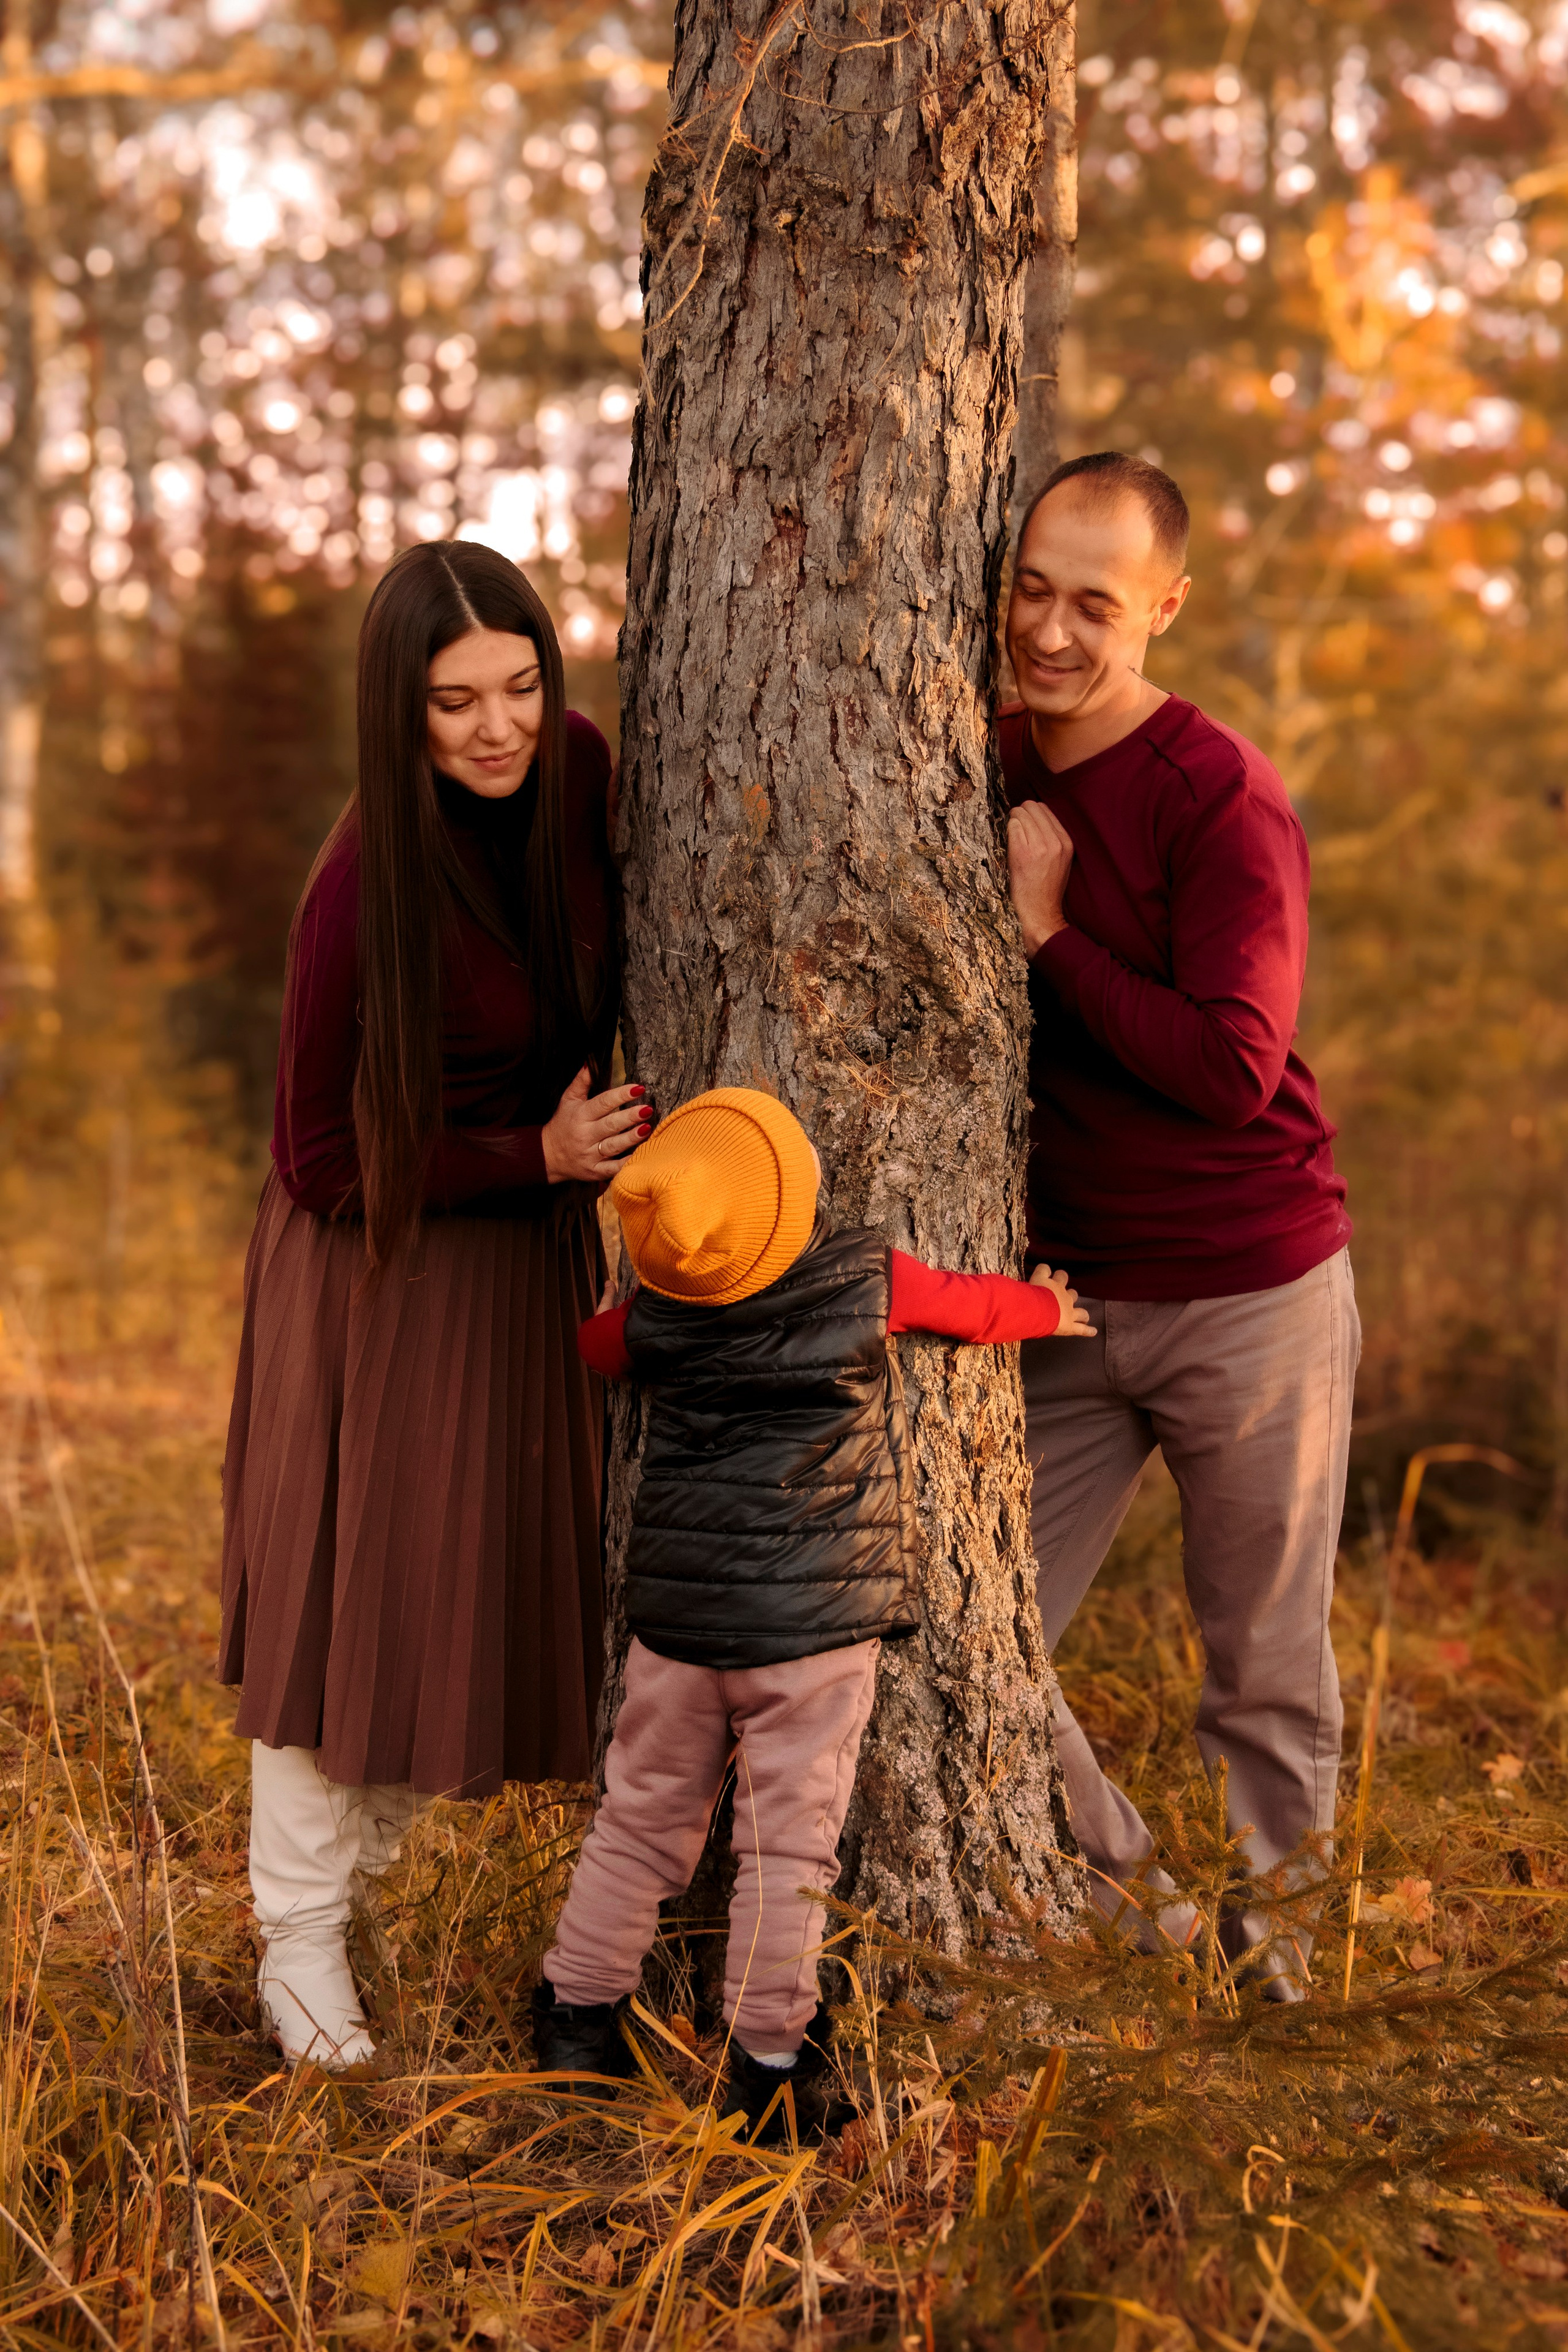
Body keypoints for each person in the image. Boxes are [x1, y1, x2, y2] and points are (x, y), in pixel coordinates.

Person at [219, 540, 650, 2068]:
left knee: (465, 1581)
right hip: (380, 1262)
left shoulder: (582, 777)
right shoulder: (360, 883)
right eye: (453, 701)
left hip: (523, 1260)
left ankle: (370, 1868)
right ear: (395, 715)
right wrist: (530, 1151)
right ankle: (298, 1938)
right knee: (348, 1599)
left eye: (522, 686)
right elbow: (317, 1153)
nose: (496, 728)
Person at [529, 1087, 1092, 2138]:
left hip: (680, 1629)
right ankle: (770, 2061)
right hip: (815, 1634)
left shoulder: (652, 1320)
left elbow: (596, 1347)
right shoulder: (863, 1277)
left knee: (640, 1825)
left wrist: (643, 1298)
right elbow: (974, 1306)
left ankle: (576, 2014)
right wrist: (1048, 1310)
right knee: (787, 1852)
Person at [1002, 451, 1360, 1998]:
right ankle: (1143, 1912)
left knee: (1262, 1666)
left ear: (1164, 607)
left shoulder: (1216, 792)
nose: (1052, 631)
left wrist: (1047, 939)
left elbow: (1231, 1067)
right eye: (1029, 589)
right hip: (1067, 1301)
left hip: (1246, 1286)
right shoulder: (969, 754)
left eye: (1094, 602)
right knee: (961, 1624)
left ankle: (1279, 1969)